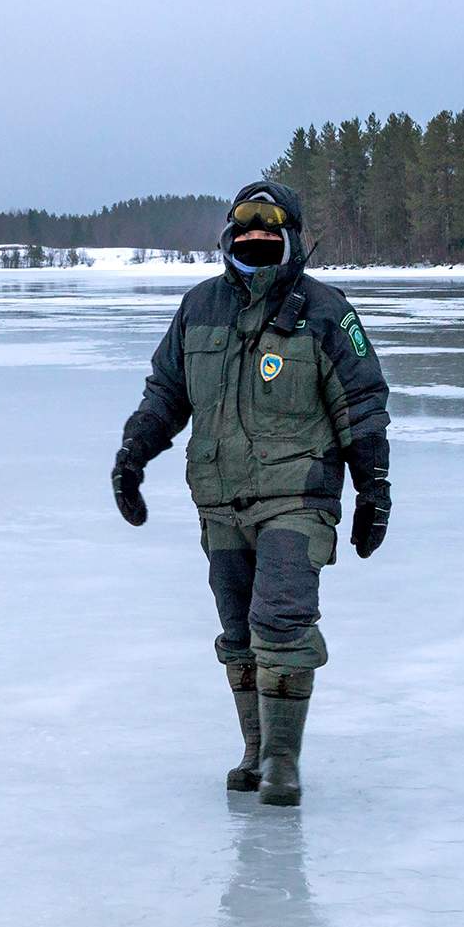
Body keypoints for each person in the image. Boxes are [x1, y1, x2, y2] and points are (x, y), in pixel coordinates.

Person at [111, 180, 391, 807]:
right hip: (221, 498)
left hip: (299, 494)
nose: (256, 240)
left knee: (281, 622)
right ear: (228, 238)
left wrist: (374, 489)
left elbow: (363, 406)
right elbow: (166, 395)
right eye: (246, 232)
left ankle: (283, 766)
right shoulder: (199, 307)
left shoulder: (326, 310)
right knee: (237, 631)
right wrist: (132, 457)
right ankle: (255, 752)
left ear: (290, 237)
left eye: (270, 233)